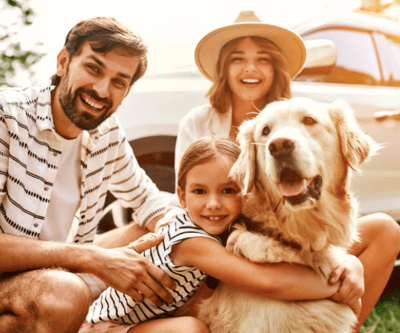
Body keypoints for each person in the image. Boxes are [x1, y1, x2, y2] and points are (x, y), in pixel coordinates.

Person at [173, 10, 400, 333]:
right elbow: (185, 205)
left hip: (304, 239)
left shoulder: (298, 110)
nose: (250, 68)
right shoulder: (199, 122)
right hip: (225, 247)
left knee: (384, 227)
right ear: (224, 69)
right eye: (238, 59)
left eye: (262, 59)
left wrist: (347, 261)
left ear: (275, 67)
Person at [0, 17, 178, 333]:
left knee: (158, 235)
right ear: (63, 62)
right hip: (11, 282)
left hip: (54, 270)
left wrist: (182, 241)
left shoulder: (106, 133)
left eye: (119, 81)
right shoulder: (7, 116)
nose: (101, 90)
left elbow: (149, 201)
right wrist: (93, 259)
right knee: (63, 293)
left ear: (127, 92)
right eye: (94, 69)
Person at [80, 137, 355, 333]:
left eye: (227, 190)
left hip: (148, 320)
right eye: (200, 191)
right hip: (106, 328)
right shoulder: (190, 241)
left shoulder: (222, 229)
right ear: (181, 196)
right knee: (191, 330)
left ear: (246, 192)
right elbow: (267, 282)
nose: (214, 204)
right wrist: (336, 284)